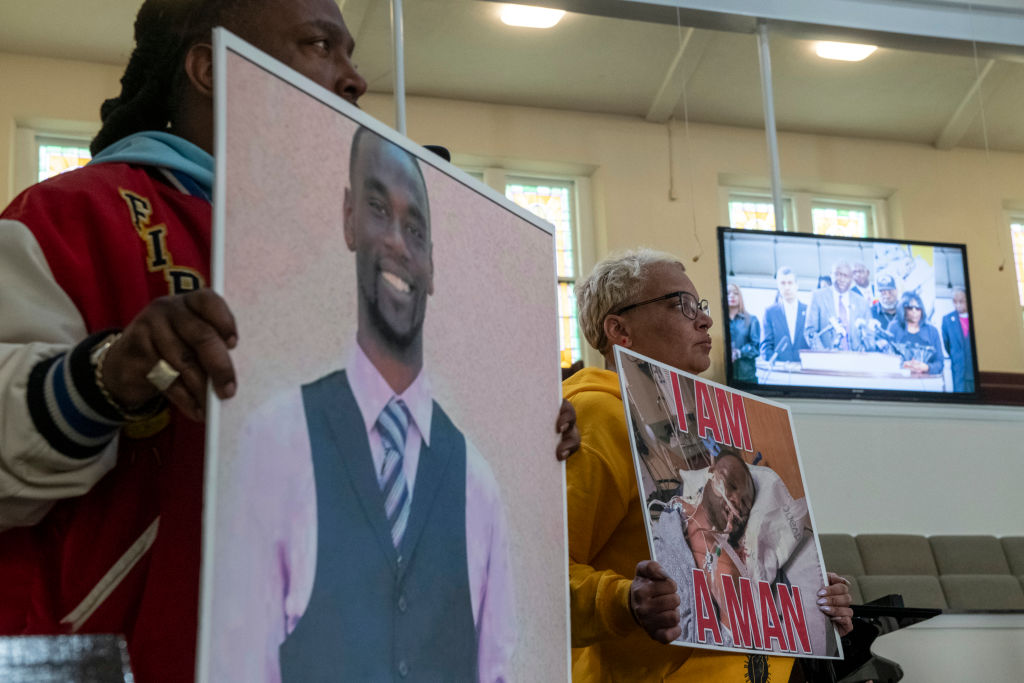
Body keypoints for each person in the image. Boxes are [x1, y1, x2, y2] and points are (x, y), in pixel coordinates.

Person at [0, 1, 578, 680]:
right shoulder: (74, 216)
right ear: (210, 68)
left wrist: (520, 441)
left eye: (350, 52)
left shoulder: (347, 260)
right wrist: (102, 378)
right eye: (319, 45)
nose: (355, 78)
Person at [212, 127, 516, 682]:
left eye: (416, 229)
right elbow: (240, 664)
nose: (398, 241)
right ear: (349, 218)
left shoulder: (478, 483)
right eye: (378, 209)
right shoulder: (277, 440)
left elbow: (496, 670)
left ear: (432, 264)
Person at [564, 248, 852, 682]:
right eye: (680, 305)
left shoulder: (710, 432)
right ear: (619, 329)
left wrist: (809, 595)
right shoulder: (599, 416)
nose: (705, 320)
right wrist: (623, 601)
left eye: (699, 305)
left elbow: (744, 571)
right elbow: (537, 575)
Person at [804, 260, 870, 351]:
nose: (842, 279)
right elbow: (810, 331)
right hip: (826, 356)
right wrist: (822, 354)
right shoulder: (817, 297)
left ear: (852, 279)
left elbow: (869, 334)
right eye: (838, 274)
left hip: (857, 357)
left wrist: (863, 352)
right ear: (831, 275)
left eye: (846, 276)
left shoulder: (862, 302)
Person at [886, 291, 943, 375]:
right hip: (899, 379)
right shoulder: (894, 328)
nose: (914, 311)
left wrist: (926, 367)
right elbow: (886, 358)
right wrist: (901, 365)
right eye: (910, 308)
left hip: (927, 380)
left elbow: (940, 363)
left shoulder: (932, 331)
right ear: (903, 309)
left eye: (917, 308)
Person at [760, 266, 808, 363]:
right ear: (778, 286)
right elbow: (765, 347)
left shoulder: (808, 311)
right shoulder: (770, 312)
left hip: (804, 368)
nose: (787, 287)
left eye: (790, 283)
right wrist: (777, 365)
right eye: (783, 283)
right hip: (780, 368)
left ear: (797, 285)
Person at [940, 287, 974, 392]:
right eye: (955, 301)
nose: (958, 304)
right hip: (958, 371)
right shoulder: (947, 320)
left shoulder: (976, 316)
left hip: (974, 370)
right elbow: (947, 344)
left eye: (961, 301)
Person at [726, 283, 760, 384]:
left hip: (747, 378)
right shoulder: (719, 321)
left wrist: (739, 353)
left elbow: (756, 347)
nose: (732, 296)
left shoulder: (752, 320)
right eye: (728, 293)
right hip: (724, 377)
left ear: (740, 297)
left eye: (735, 293)